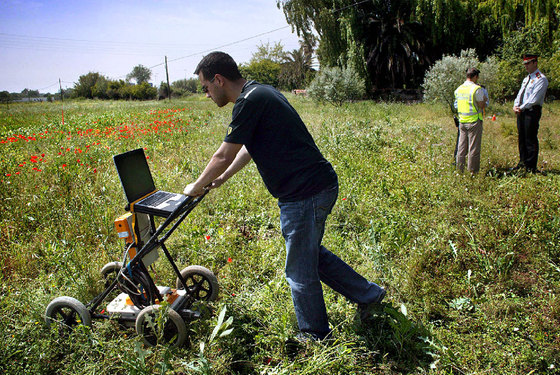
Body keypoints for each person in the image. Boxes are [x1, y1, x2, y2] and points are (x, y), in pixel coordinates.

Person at [183, 52, 385, 342]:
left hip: (304, 193)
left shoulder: (248, 101)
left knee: (299, 271)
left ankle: (315, 335)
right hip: (315, 186)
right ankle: (369, 294)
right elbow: (249, 148)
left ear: (218, 79)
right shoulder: (259, 92)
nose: (206, 94)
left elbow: (223, 153)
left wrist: (197, 185)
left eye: (205, 87)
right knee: (311, 256)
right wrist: (221, 178)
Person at [512, 54, 548, 173]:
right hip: (521, 111)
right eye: (525, 64)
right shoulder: (526, 78)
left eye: (528, 63)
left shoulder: (541, 79)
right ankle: (522, 162)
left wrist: (521, 107)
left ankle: (531, 166)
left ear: (535, 63)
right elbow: (520, 94)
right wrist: (516, 105)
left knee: (530, 138)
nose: (526, 66)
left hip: (531, 111)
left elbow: (534, 99)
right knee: (521, 137)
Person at [454, 68, 487, 173]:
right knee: (473, 149)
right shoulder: (476, 89)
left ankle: (459, 170)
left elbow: (456, 105)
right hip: (474, 121)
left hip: (462, 121)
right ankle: (472, 173)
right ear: (475, 77)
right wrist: (485, 100)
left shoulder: (459, 89)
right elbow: (481, 106)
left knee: (461, 148)